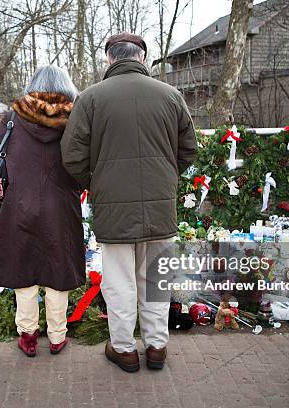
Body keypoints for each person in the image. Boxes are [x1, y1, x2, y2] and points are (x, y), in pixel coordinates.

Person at [61, 33, 197, 372]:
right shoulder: (171, 96)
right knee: (154, 280)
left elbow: (72, 155)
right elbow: (189, 149)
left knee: (119, 281)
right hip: (159, 205)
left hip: (112, 206)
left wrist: (97, 184)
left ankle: (123, 350)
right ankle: (156, 348)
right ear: (143, 58)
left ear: (109, 59)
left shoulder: (91, 99)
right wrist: (166, 178)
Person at [0, 65, 86, 357]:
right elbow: (83, 159)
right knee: (58, 268)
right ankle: (57, 336)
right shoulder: (75, 117)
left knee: (23, 268)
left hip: (19, 203)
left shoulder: (15, 117)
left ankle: (28, 335)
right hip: (61, 205)